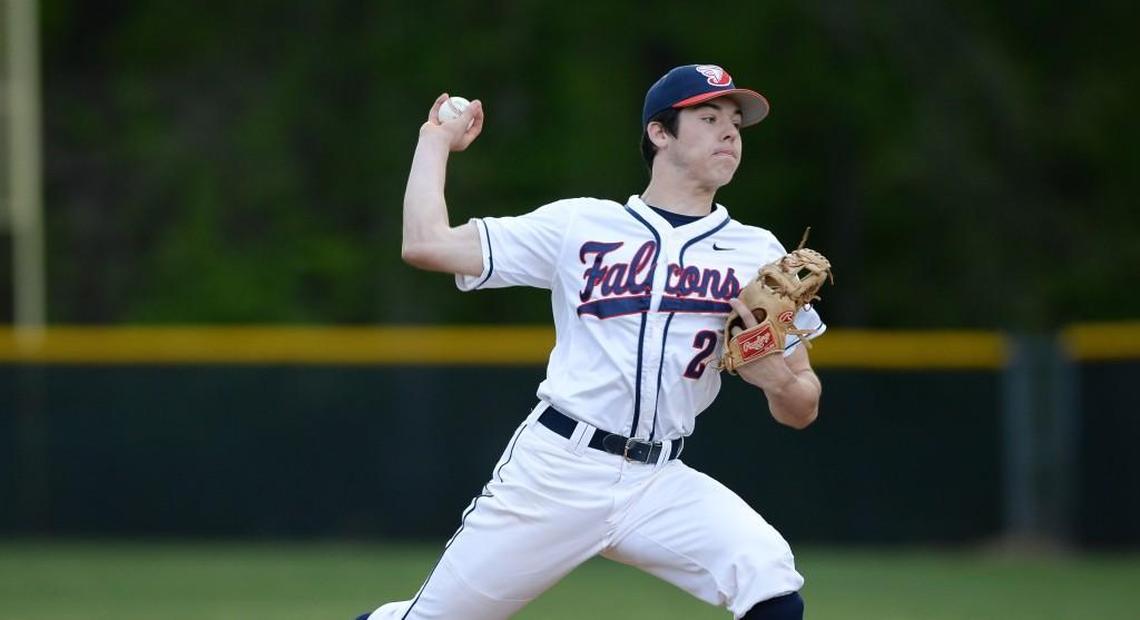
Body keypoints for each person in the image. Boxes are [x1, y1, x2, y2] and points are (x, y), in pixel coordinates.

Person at [360, 63, 826, 620]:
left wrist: (777, 378)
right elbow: (426, 244)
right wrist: (434, 142)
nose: (730, 132)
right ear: (659, 132)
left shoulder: (759, 253)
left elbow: (803, 407)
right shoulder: (581, 226)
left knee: (768, 577)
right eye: (708, 117)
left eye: (735, 122)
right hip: (557, 469)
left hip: (658, 481)